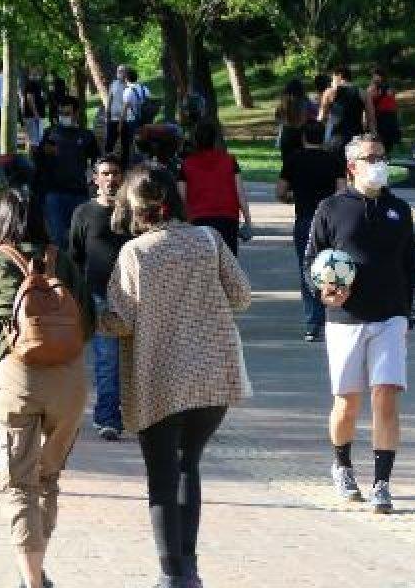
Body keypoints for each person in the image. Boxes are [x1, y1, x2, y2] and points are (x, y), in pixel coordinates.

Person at [101, 164, 252, 588]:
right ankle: (190, 571)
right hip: (212, 379)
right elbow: (241, 296)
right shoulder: (209, 240)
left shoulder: (136, 254)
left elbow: (123, 320)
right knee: (189, 466)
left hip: (159, 378)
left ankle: (171, 575)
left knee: (162, 478)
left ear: (136, 208)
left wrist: (92, 318)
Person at [0, 189, 95, 588]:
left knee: (19, 484)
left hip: (19, 378)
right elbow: (89, 320)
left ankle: (32, 580)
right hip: (70, 382)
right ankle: (37, 567)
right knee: (47, 479)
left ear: (0, 221)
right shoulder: (62, 260)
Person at [304, 133, 415, 514]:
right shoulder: (331, 208)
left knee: (385, 395)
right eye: (371, 158)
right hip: (345, 319)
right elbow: (311, 263)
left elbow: (409, 265)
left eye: (382, 157)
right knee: (347, 403)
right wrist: (323, 293)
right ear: (353, 166)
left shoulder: (399, 209)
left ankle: (382, 482)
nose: (379, 163)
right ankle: (342, 464)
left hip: (390, 316)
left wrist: (408, 310)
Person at [69, 155, 129, 442]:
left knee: (135, 359)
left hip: (132, 297)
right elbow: (75, 257)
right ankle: (107, 417)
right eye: (105, 174)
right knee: (107, 359)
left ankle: (139, 414)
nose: (111, 179)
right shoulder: (83, 213)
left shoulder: (131, 213)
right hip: (99, 297)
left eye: (116, 174)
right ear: (95, 179)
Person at [276, 120, 346, 342]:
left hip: (305, 219)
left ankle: (312, 323)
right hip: (331, 221)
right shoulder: (334, 160)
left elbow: (280, 191)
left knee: (306, 268)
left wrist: (291, 198)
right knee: (332, 267)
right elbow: (342, 191)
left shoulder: (293, 160)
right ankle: (332, 316)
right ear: (322, 137)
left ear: (304, 137)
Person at [177, 120, 252, 256]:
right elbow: (240, 194)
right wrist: (248, 222)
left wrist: (182, 223)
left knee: (202, 265)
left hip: (198, 221)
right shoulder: (229, 161)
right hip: (228, 220)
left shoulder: (186, 165)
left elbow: (181, 198)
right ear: (215, 139)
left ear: (195, 140)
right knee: (228, 267)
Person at [36, 95, 99, 250]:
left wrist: (92, 179)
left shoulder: (86, 136)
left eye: (68, 113)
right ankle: (60, 270)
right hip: (54, 194)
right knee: (58, 237)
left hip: (79, 194)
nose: (64, 117)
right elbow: (39, 161)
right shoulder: (50, 134)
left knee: (80, 238)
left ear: (76, 113)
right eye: (61, 114)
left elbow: (97, 161)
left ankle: (77, 271)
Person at [317, 65, 369, 151]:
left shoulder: (329, 92)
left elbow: (321, 117)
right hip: (356, 136)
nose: (331, 82)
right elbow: (371, 118)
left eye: (333, 79)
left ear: (339, 76)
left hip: (335, 137)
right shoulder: (362, 93)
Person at [274, 78, 312, 163]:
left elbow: (277, 118)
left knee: (287, 162)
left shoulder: (283, 102)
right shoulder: (305, 102)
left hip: (286, 134)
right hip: (301, 133)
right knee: (302, 161)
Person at [367, 69, 402, 154]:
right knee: (378, 150)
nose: (374, 78)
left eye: (376, 76)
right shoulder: (373, 89)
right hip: (379, 121)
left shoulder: (388, 89)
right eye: (373, 77)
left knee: (385, 149)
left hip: (387, 121)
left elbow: (393, 106)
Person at [119, 67, 147, 166]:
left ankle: (130, 165)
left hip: (131, 121)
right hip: (144, 119)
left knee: (129, 145)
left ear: (126, 78)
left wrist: (120, 124)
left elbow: (124, 109)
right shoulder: (144, 88)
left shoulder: (128, 91)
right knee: (142, 142)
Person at [101, 63, 129, 154]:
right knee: (109, 141)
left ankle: (125, 164)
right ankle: (107, 160)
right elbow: (109, 99)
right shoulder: (114, 84)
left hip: (126, 119)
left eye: (121, 71)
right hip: (113, 118)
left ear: (126, 73)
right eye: (118, 71)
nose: (119, 73)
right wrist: (107, 114)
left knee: (125, 143)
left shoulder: (130, 85)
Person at [23, 66, 48, 148]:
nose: (39, 74)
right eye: (37, 72)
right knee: (34, 141)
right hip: (32, 116)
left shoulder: (38, 84)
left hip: (38, 115)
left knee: (39, 139)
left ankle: (37, 158)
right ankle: (33, 158)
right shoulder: (30, 84)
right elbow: (29, 98)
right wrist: (35, 113)